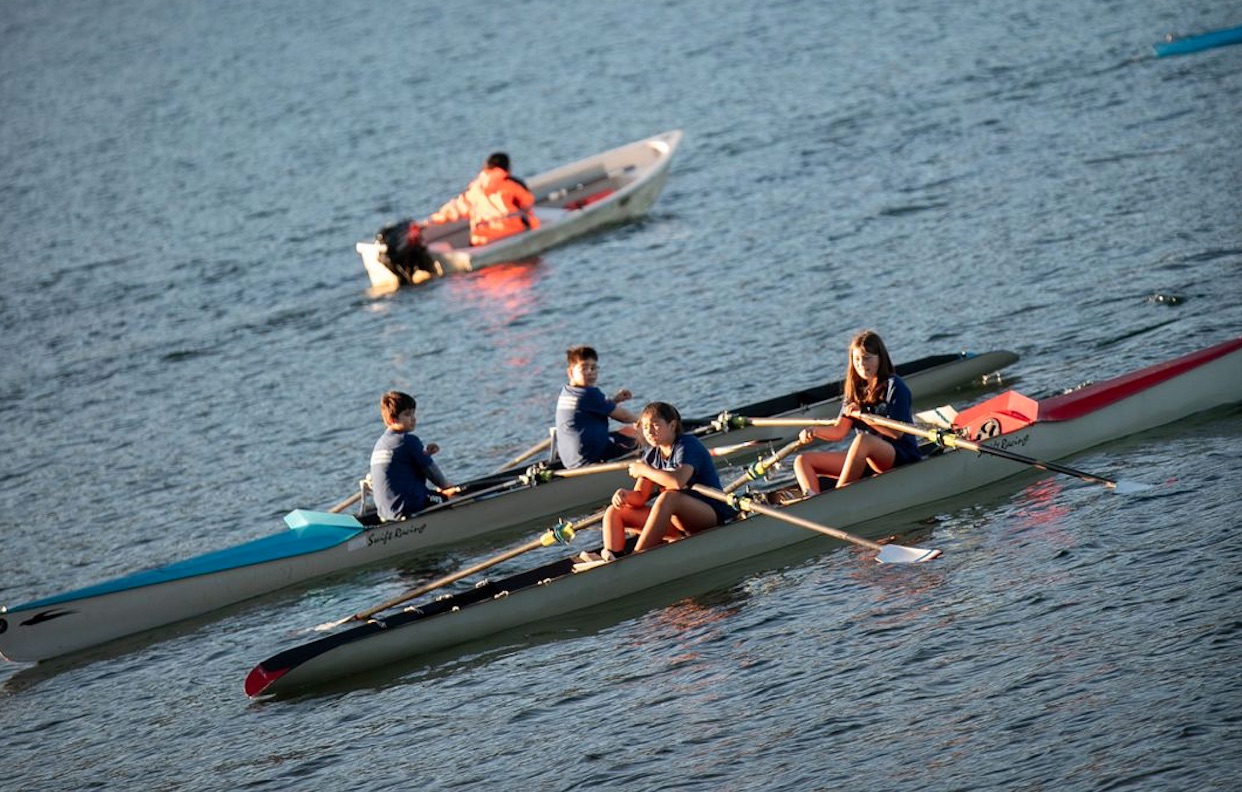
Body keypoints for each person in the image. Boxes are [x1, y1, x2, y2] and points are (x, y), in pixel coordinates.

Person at [587, 401, 736, 564]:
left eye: (655, 425)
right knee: (615, 510)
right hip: (677, 523)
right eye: (645, 427)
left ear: (672, 425)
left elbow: (678, 482)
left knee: (669, 497)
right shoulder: (652, 456)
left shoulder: (687, 445)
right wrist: (624, 495)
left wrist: (643, 470)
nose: (649, 431)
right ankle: (613, 557)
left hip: (711, 515)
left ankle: (637, 559)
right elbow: (640, 497)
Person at [792, 330, 922, 494]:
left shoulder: (895, 386)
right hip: (867, 458)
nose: (861, 364)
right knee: (802, 460)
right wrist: (814, 432)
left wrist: (863, 416)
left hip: (900, 455)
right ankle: (811, 500)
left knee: (863, 440)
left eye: (867, 358)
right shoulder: (855, 390)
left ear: (880, 358)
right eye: (857, 359)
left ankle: (837, 497)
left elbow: (897, 433)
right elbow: (839, 431)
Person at [369, 391, 457, 522]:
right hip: (408, 507)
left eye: (413, 413)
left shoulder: (381, 443)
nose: (413, 418)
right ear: (393, 419)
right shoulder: (408, 440)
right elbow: (435, 475)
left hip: (385, 511)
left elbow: (402, 466)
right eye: (407, 414)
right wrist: (448, 488)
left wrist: (425, 454)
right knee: (455, 498)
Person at [424, 152, 540, 247]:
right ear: (507, 168)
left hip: (480, 240)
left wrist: (430, 221)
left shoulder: (474, 188)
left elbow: (455, 209)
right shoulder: (512, 184)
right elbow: (528, 202)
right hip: (509, 235)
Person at [554, 345, 638, 469]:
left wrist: (614, 401)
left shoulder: (567, 392)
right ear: (570, 372)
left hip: (571, 461)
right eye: (584, 368)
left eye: (593, 368)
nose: (590, 372)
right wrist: (646, 420)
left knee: (626, 433)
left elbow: (591, 410)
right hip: (591, 459)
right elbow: (625, 417)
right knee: (642, 439)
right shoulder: (588, 394)